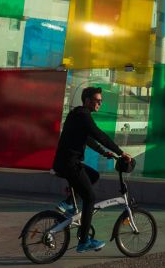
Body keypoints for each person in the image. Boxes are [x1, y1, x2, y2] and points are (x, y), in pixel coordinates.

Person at [52, 86, 130, 253]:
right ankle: (84, 241)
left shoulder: (77, 114)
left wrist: (104, 152)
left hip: (66, 162)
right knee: (90, 198)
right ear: (87, 100)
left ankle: (68, 204)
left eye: (101, 101)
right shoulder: (83, 116)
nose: (100, 104)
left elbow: (88, 139)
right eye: (97, 100)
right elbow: (99, 135)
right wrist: (121, 152)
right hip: (69, 164)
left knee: (93, 175)